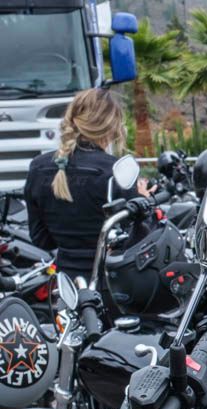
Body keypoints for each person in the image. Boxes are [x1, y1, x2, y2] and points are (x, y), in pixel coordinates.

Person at [24, 88, 147, 279]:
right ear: (112, 126)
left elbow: (42, 240)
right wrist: (142, 200)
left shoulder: (38, 168)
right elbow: (137, 239)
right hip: (109, 284)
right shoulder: (114, 171)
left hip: (66, 286)